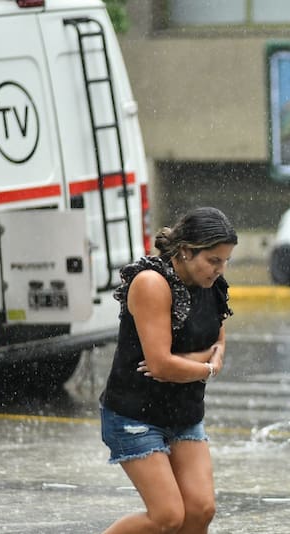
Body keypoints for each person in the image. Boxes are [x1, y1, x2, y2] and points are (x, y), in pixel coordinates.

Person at [99, 206, 237, 533]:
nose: (220, 269)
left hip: (184, 412)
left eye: (225, 260)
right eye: (213, 260)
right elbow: (161, 365)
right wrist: (206, 367)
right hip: (135, 416)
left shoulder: (212, 284)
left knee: (200, 510)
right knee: (167, 517)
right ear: (186, 251)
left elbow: (218, 337)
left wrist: (194, 361)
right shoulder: (152, 283)